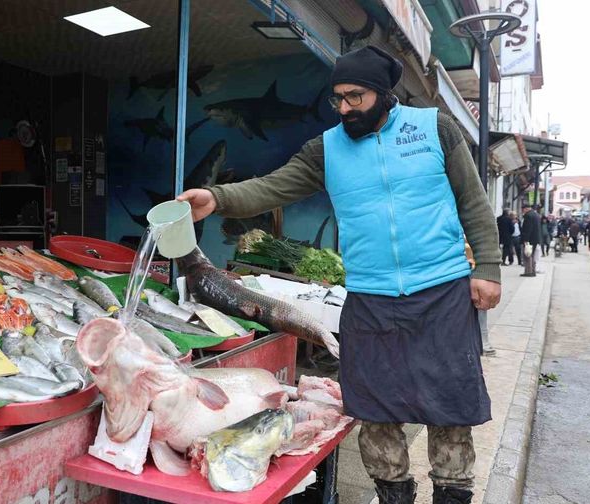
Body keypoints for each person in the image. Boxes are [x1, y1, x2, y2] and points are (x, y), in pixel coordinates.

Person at [177, 45, 501, 504]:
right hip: (370, 297)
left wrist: (487, 267)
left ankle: (452, 495)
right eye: (338, 99)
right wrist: (218, 197)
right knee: (375, 406)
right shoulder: (326, 148)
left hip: (442, 290)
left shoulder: (435, 128)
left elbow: (473, 201)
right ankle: (393, 495)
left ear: (384, 94)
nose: (345, 108)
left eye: (356, 97)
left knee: (449, 404)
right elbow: (273, 186)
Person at [521, 204, 541, 277]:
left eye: (523, 209)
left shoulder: (528, 216)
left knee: (527, 255)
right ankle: (533, 271)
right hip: (535, 238)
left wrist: (525, 239)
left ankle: (528, 272)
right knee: (532, 255)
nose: (522, 211)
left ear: (526, 208)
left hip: (529, 239)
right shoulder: (536, 215)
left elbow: (527, 228)